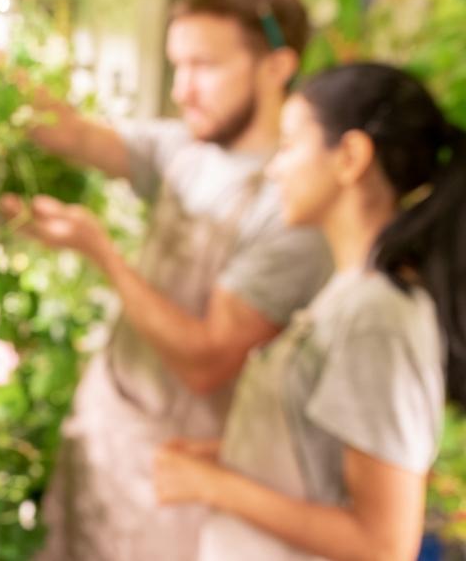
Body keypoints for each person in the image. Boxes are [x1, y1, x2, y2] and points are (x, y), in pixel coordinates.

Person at [0, 0, 334, 560]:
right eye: (177, 65)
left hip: (179, 472)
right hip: (107, 427)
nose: (183, 90)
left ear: (277, 68)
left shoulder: (292, 206)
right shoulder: (184, 149)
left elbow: (205, 360)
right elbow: (73, 134)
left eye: (204, 66)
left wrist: (101, 254)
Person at [153, 62, 466, 561]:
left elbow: (384, 544)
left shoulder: (379, 315)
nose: (274, 168)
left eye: (289, 145)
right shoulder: (348, 293)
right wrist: (227, 459)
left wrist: (213, 484)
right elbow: (328, 468)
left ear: (350, 157)